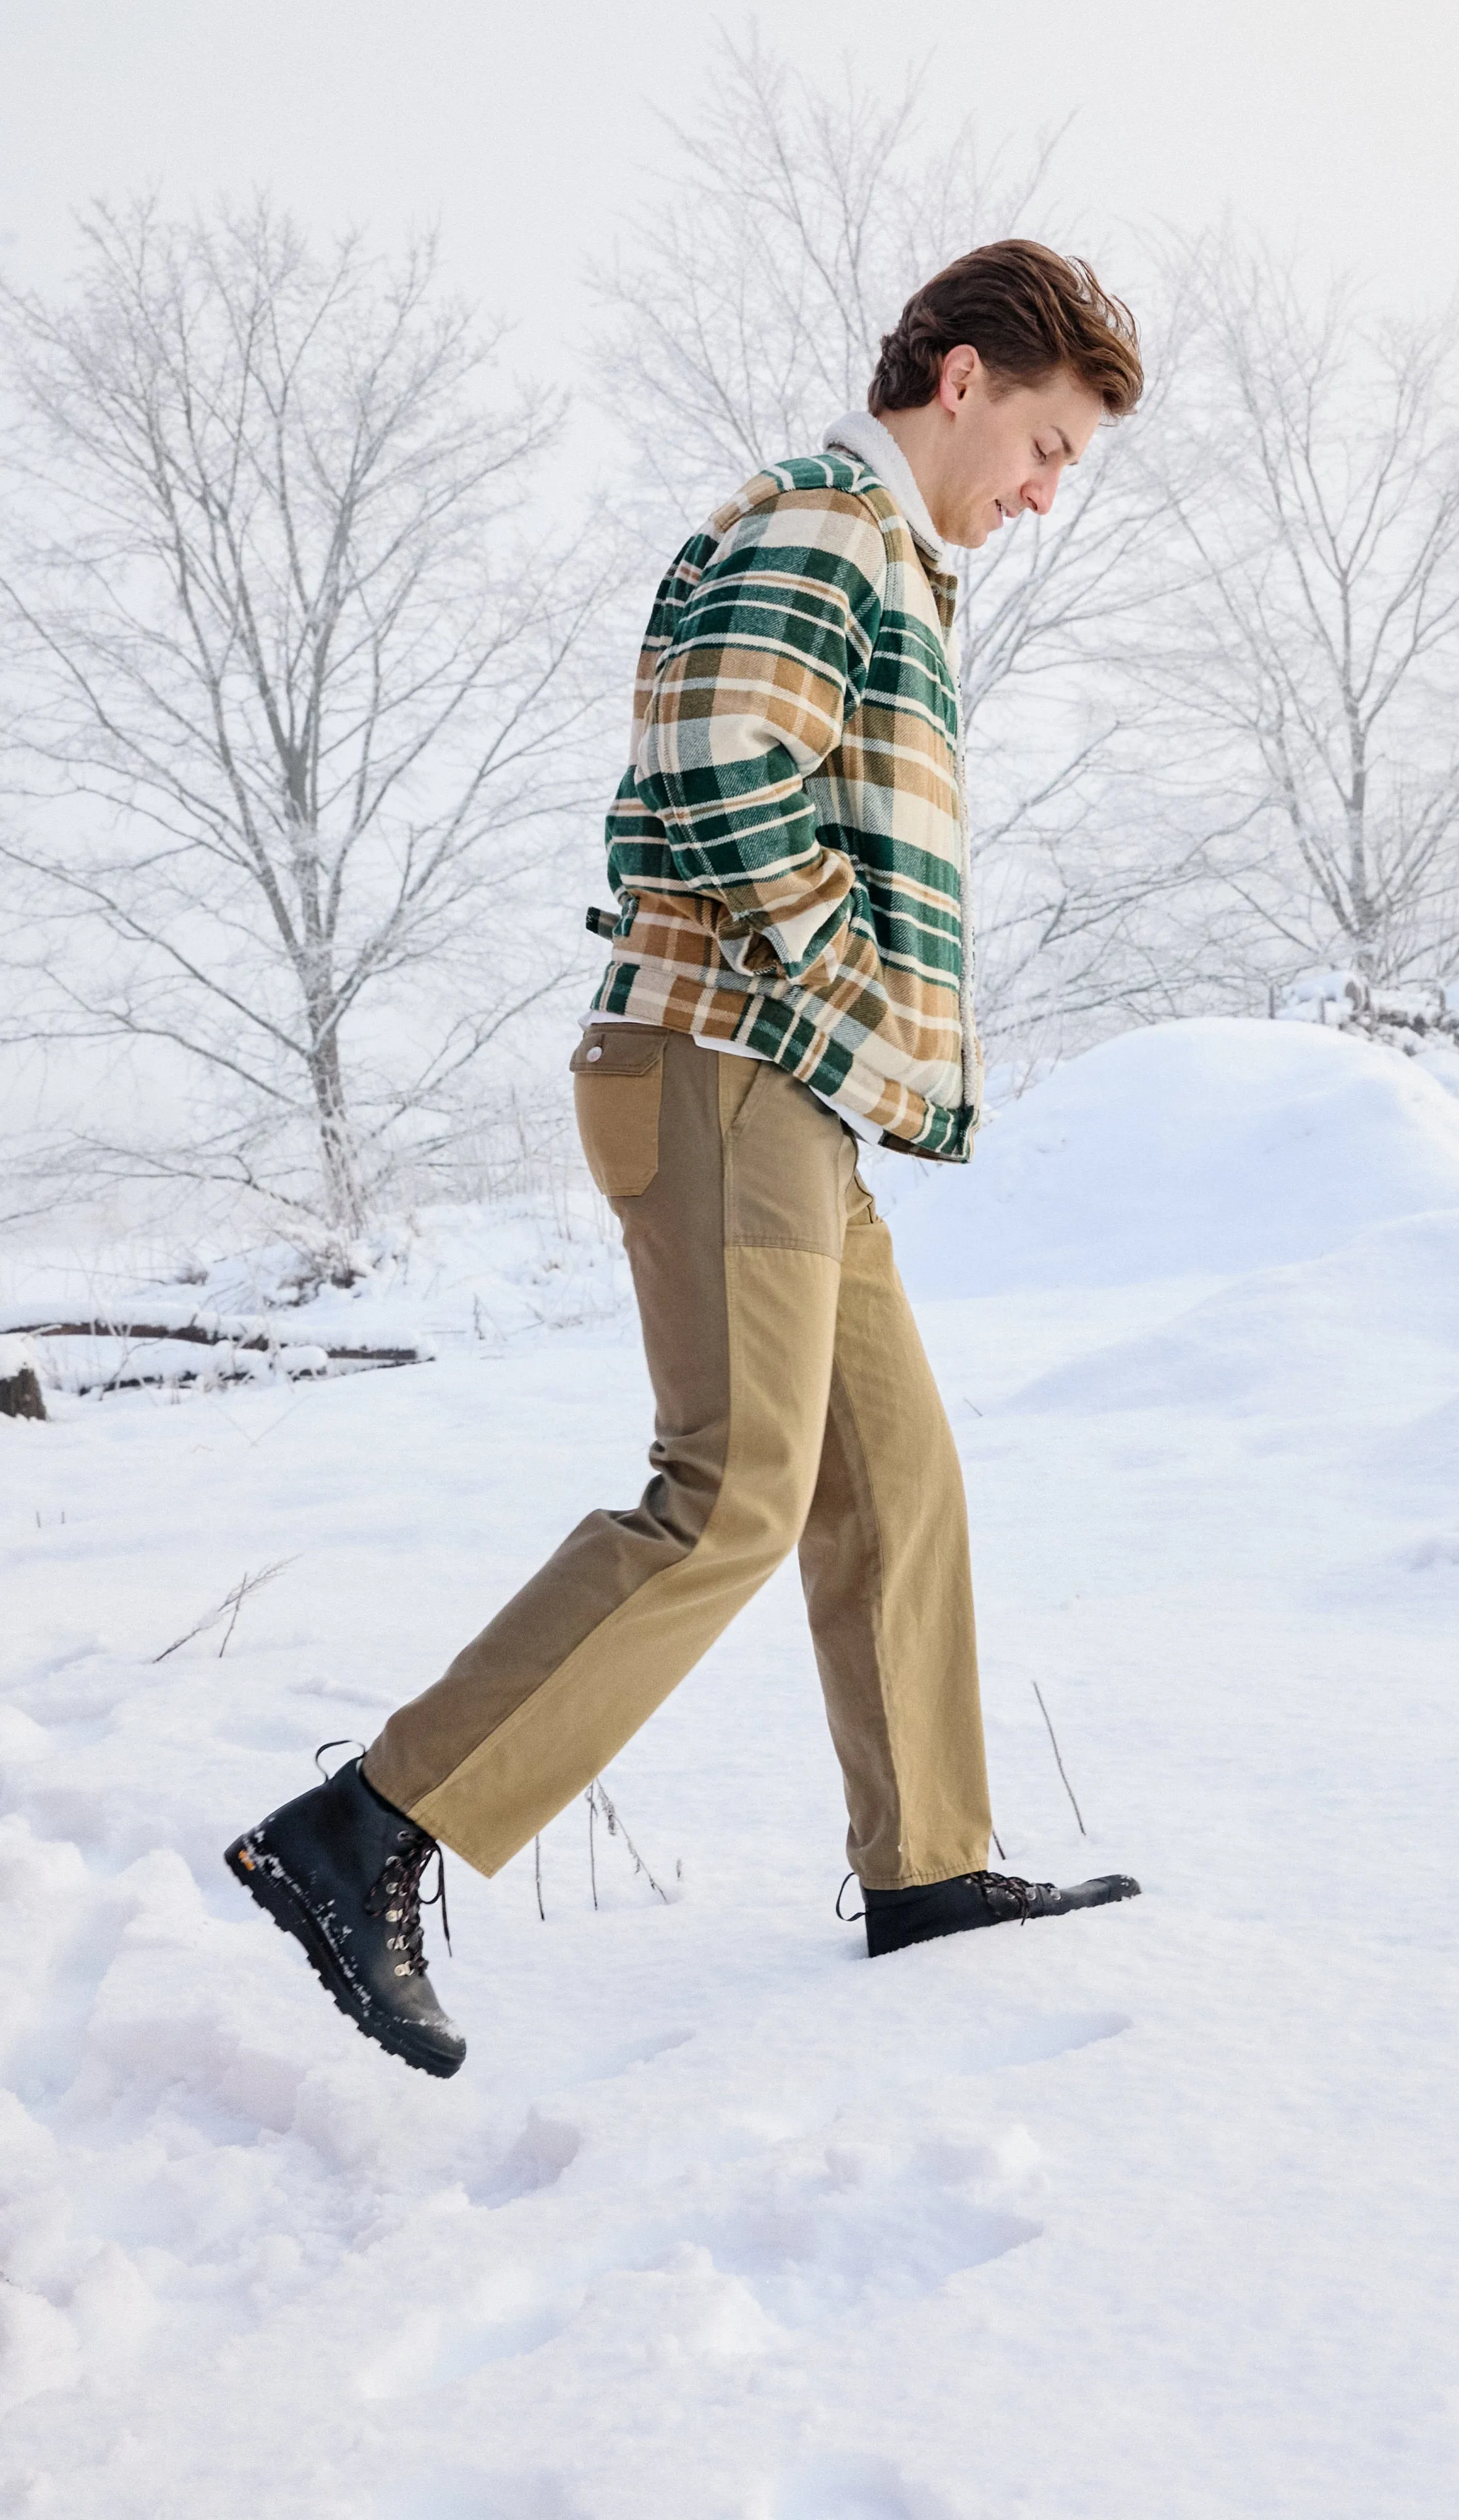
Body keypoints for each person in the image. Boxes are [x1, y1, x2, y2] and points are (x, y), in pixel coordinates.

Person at [226, 240, 1147, 2076]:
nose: (1051, 492)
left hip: (776, 1084)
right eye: (1048, 443)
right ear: (960, 380)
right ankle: (367, 1829)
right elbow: (727, 775)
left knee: (896, 1483)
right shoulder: (825, 524)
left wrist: (848, 1039)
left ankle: (932, 1865)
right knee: (732, 1491)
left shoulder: (882, 553)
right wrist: (857, 989)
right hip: (730, 1063)